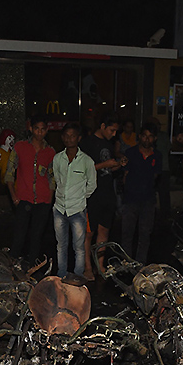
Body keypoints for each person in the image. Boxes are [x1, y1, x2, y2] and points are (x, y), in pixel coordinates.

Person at [5, 113, 55, 263]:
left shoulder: (50, 152)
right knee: (19, 235)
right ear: (31, 129)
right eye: (37, 129)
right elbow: (9, 173)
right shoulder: (20, 147)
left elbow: (52, 177)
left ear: (47, 130)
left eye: (43, 129)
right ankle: (12, 265)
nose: (39, 132)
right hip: (23, 198)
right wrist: (14, 196)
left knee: (36, 236)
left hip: (43, 200)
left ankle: (32, 267)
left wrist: (49, 199)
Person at [80, 115, 123, 278]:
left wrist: (117, 165)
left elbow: (106, 170)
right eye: (112, 130)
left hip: (107, 193)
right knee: (88, 233)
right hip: (92, 195)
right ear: (103, 126)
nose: (114, 134)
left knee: (104, 231)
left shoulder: (108, 144)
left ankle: (100, 265)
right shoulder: (87, 143)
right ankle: (87, 267)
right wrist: (105, 164)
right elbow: (82, 169)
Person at [52, 122, 96, 276]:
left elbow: (92, 185)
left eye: (73, 136)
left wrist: (80, 197)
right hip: (59, 208)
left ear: (79, 138)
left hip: (77, 210)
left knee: (79, 247)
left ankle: (77, 277)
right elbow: (58, 180)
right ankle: (61, 275)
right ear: (62, 137)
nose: (69, 139)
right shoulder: (57, 158)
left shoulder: (87, 161)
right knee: (61, 246)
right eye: (66, 135)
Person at [119, 124, 161, 264]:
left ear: (154, 138)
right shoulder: (131, 153)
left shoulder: (157, 155)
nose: (147, 139)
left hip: (148, 200)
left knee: (145, 234)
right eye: (144, 136)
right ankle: (127, 262)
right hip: (131, 199)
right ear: (139, 137)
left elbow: (156, 176)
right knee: (127, 233)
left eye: (150, 136)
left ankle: (140, 264)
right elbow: (125, 174)